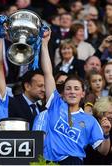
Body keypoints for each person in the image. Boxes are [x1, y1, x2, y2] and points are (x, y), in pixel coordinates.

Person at [33, 30, 111, 164]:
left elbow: (103, 150)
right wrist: (44, 44)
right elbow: (48, 73)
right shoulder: (55, 104)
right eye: (68, 88)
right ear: (63, 93)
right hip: (47, 162)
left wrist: (106, 134)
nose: (72, 92)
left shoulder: (90, 120)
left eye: (76, 89)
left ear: (82, 94)